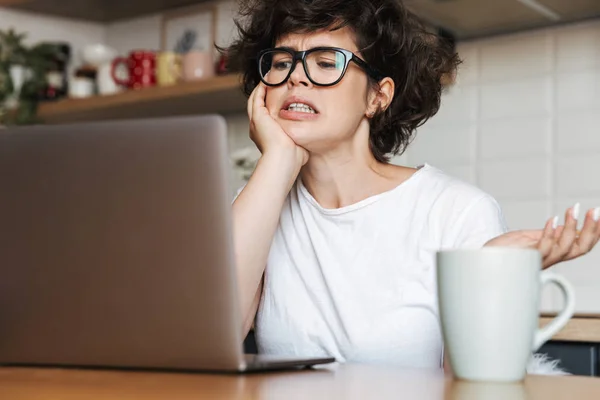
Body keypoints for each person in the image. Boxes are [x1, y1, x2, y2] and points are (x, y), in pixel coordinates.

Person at [224, 0, 600, 370]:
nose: (296, 77)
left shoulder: (456, 211)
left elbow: (472, 384)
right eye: (281, 62)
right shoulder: (262, 201)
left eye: (326, 63)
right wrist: (274, 160)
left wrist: (485, 274)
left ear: (377, 96)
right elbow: (219, 334)